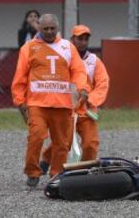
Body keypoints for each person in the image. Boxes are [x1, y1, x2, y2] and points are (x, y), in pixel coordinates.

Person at [11, 14, 88, 187]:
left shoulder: (68, 47)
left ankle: (56, 173)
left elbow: (78, 71)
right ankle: (32, 172)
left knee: (62, 143)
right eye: (45, 28)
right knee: (36, 137)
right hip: (37, 103)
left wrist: (83, 88)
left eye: (52, 28)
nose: (49, 32)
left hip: (62, 104)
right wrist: (19, 100)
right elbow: (20, 76)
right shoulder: (29, 48)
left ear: (57, 28)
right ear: (39, 28)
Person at [40, 24, 110, 173]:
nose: (83, 42)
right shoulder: (63, 58)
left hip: (86, 111)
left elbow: (103, 84)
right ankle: (46, 159)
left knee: (91, 143)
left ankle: (84, 170)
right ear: (72, 39)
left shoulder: (94, 61)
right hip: (66, 110)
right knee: (63, 141)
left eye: (85, 39)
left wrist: (90, 100)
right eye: (80, 38)